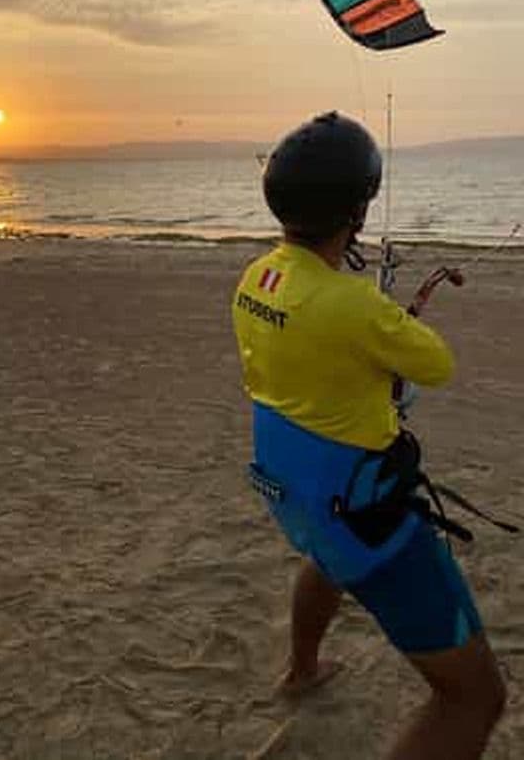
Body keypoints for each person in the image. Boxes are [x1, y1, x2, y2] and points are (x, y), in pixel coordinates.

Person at [232, 111, 505, 760]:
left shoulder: (255, 278)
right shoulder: (355, 306)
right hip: (365, 518)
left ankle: (302, 668)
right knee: (476, 699)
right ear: (356, 212)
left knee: (323, 559)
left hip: (298, 497)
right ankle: (304, 666)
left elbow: (311, 358)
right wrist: (378, 316)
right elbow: (436, 364)